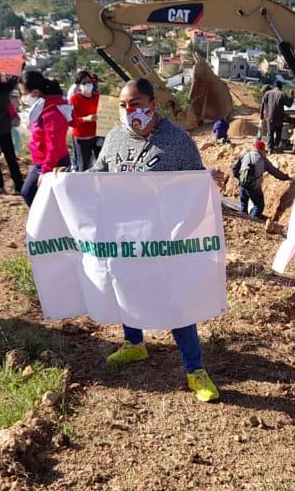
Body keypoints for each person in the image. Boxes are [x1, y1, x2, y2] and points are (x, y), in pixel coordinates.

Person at [90, 78, 227, 403]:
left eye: (135, 103)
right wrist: (63, 178)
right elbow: (97, 175)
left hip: (166, 242)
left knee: (175, 303)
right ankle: (134, 344)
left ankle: (195, 370)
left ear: (153, 104)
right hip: (124, 236)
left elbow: (194, 184)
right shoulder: (114, 138)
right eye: (124, 105)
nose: (128, 110)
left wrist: (210, 182)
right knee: (126, 288)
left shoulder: (178, 141)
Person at [19, 70, 71, 207]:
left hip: (55, 163)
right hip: (41, 162)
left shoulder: (52, 112)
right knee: (33, 195)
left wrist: (45, 171)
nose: (22, 98)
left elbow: (54, 146)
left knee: (31, 193)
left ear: (35, 93)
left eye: (24, 93)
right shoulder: (40, 108)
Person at [232, 140, 293, 219]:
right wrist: (286, 177)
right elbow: (274, 172)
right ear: (262, 149)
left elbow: (234, 168)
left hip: (242, 184)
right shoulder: (263, 159)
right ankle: (252, 220)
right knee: (259, 205)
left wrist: (239, 178)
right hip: (254, 187)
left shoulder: (245, 154)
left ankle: (244, 219)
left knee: (243, 204)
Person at [67, 70, 100, 171]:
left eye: (89, 82)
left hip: (98, 136)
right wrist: (86, 119)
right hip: (82, 138)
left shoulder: (98, 97)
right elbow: (71, 120)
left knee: (101, 163)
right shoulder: (74, 100)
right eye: (84, 83)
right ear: (78, 85)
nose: (88, 85)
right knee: (84, 165)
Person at [261, 81, 292, 152]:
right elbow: (289, 105)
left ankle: (270, 149)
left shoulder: (267, 93)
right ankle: (276, 146)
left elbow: (262, 104)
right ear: (281, 87)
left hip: (269, 117)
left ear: (274, 86)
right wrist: (291, 97)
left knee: (270, 133)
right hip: (279, 118)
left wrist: (261, 115)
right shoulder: (282, 94)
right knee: (278, 133)